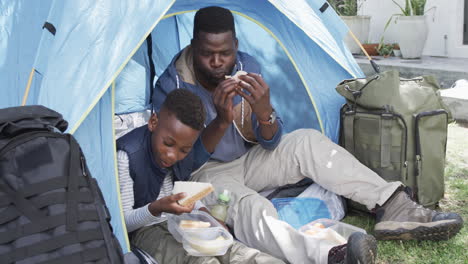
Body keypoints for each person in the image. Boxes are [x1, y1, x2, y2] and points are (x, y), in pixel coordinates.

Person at [152, 6, 463, 264]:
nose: (218, 63)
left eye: (226, 53)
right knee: (252, 207)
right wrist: (221, 120)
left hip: (250, 159)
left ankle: (392, 205)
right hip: (206, 173)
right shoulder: (172, 85)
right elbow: (179, 165)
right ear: (193, 46)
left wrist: (264, 112)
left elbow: (271, 139)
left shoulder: (248, 66)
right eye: (208, 54)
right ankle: (331, 253)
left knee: (307, 142)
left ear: (235, 46)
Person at [117, 89, 286, 264]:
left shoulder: (183, 144)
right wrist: (157, 208)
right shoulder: (128, 156)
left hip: (179, 218)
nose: (172, 156)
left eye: (184, 150)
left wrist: (206, 215)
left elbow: (182, 191)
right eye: (168, 144)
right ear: (153, 122)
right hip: (145, 229)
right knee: (200, 260)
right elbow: (124, 223)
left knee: (233, 250)